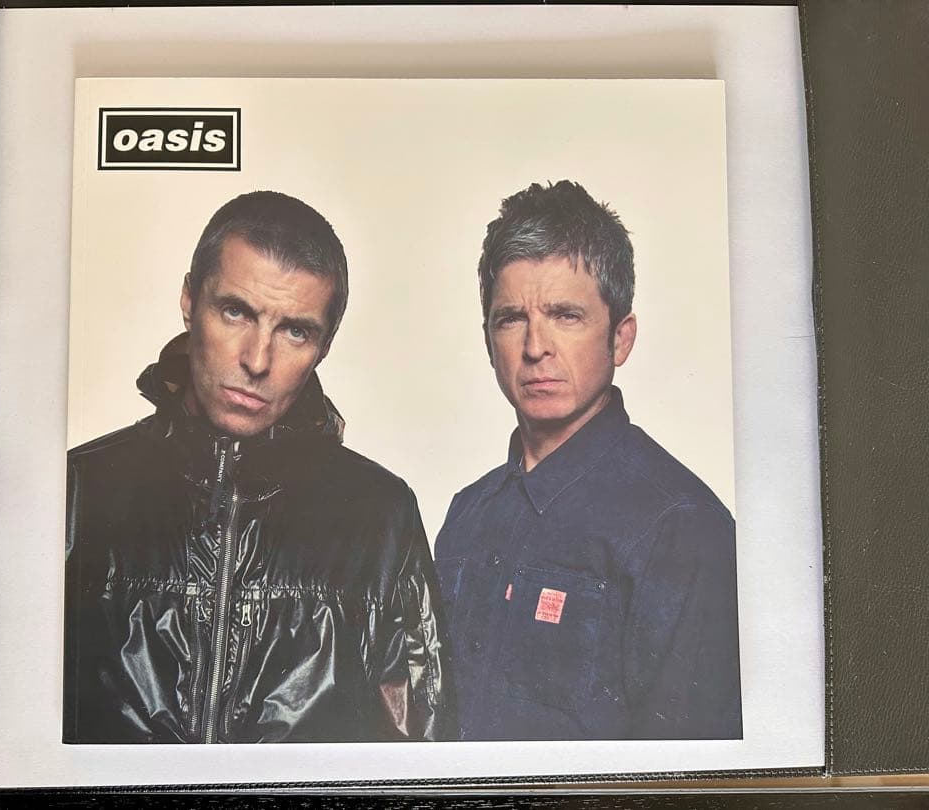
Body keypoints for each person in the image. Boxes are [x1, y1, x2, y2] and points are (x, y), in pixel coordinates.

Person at [64, 190, 453, 743]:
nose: (256, 359)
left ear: (324, 346)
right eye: (235, 311)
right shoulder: (78, 489)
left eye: (295, 330)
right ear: (189, 299)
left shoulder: (380, 515)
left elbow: (423, 755)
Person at [435, 180, 741, 740]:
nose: (535, 347)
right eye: (511, 319)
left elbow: (691, 769)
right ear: (488, 341)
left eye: (566, 316)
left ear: (620, 339)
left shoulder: (681, 527)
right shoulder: (467, 514)